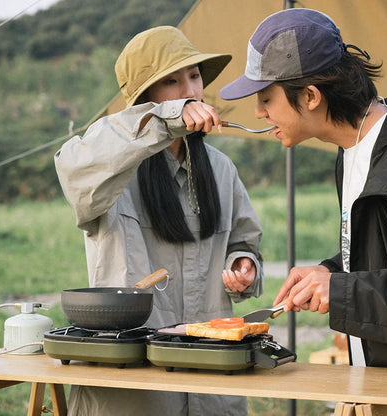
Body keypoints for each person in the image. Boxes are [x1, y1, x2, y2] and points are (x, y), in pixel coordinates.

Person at [55, 26, 264, 415]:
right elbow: (72, 166)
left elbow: (244, 242)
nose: (190, 90)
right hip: (135, 383)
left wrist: (243, 265)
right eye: (171, 81)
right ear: (146, 99)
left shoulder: (221, 169)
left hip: (211, 378)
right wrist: (165, 120)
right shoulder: (112, 171)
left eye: (194, 76)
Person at [220, 8, 387, 369]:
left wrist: (340, 291)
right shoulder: (352, 148)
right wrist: (330, 273)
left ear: (309, 96)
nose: (258, 113)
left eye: (266, 98)